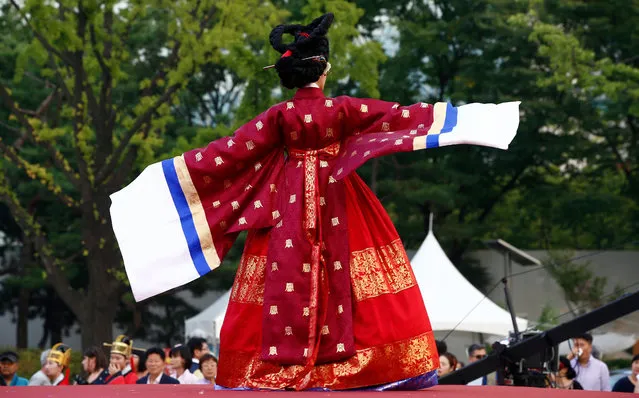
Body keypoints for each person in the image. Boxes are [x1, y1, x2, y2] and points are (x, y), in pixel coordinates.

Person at [109, 12, 521, 391]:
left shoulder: (278, 116)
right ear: (323, 68)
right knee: (351, 275)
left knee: (279, 279)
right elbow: (399, 116)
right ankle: (359, 369)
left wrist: (168, 181)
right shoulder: (342, 109)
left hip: (285, 205)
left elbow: (228, 152)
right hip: (340, 193)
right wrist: (469, 122)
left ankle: (274, 367)